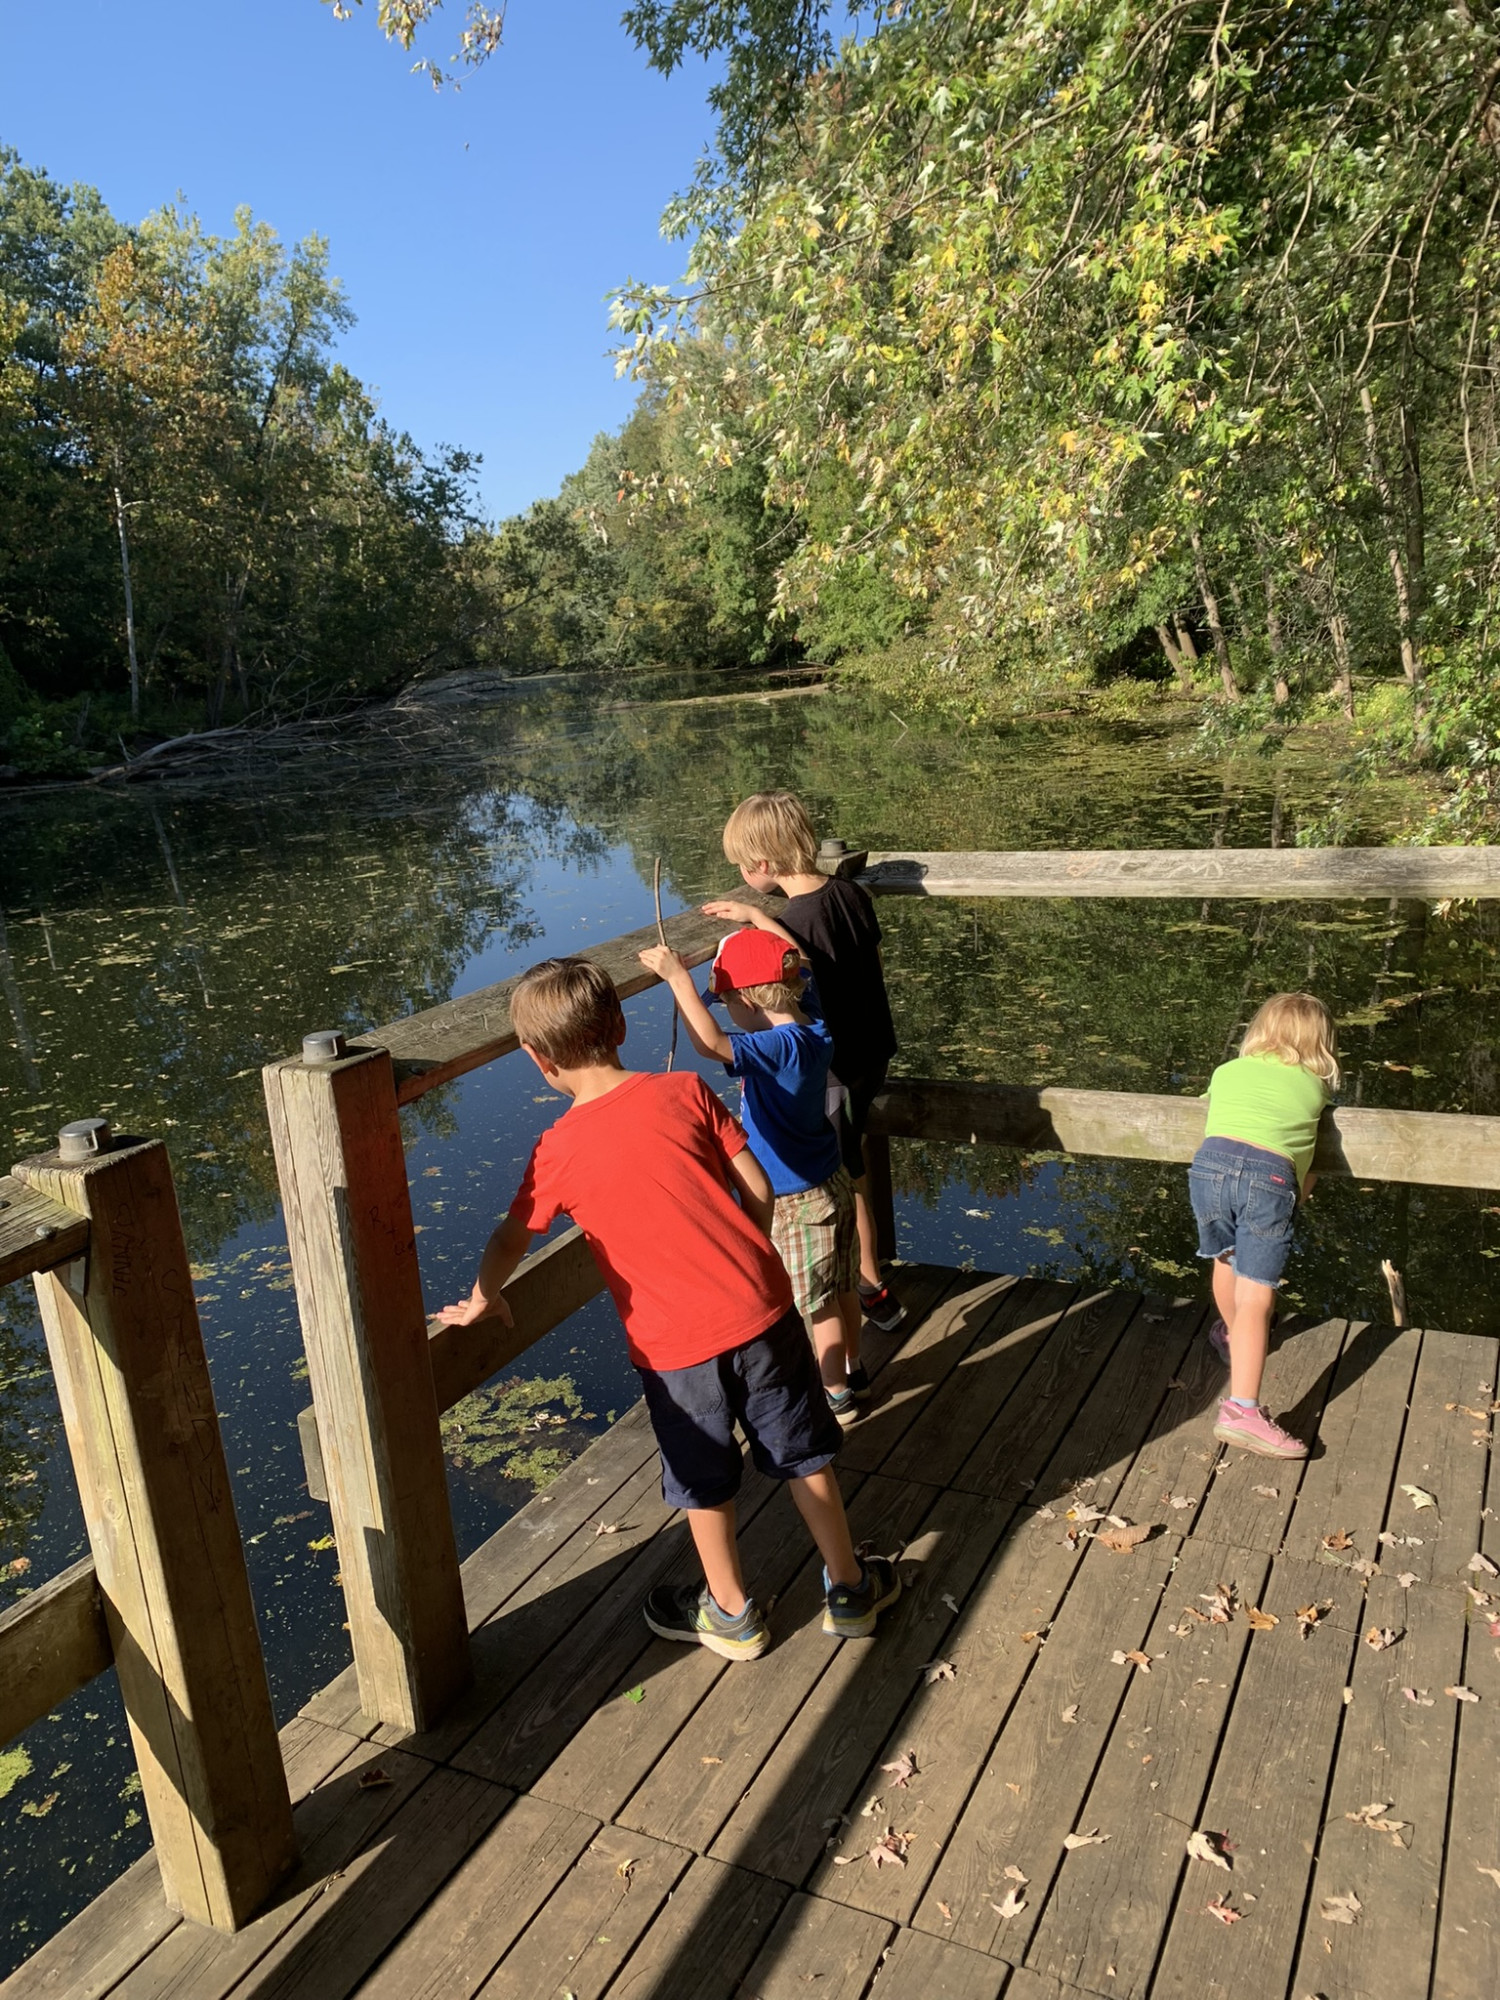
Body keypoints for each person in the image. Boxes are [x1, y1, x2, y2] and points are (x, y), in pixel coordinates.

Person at [436, 955, 900, 1661]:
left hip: (672, 1344)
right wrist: (743, 1245)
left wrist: (483, 1297)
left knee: (703, 1477)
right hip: (763, 1310)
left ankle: (733, 1613)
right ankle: (849, 1586)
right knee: (803, 1453)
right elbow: (757, 1187)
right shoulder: (686, 1090)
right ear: (619, 1024)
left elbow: (511, 1236)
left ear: (538, 1062)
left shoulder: (556, 1150)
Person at [639, 926, 866, 1426]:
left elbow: (711, 1045)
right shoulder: (816, 1027)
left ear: (748, 998)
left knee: (817, 1304)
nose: (728, 1012)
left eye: (727, 1002)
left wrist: (677, 977)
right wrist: (752, 922)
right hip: (833, 1182)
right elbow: (799, 963)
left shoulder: (777, 1048)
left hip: (795, 1199)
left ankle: (835, 1395)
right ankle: (854, 1366)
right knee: (843, 1285)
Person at [703, 790, 905, 1336]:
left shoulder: (793, 922)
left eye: (744, 867)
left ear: (764, 864)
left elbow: (799, 966)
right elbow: (871, 960)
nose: (744, 875)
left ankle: (869, 1287)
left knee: (843, 1173)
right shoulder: (848, 893)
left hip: (836, 1070)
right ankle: (865, 1281)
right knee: (852, 1162)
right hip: (873, 1050)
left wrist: (752, 917)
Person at [1189, 992, 1341, 1459]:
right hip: (1268, 1178)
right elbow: (1306, 1162)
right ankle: (1242, 1410)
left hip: (1208, 1167)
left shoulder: (1226, 1072)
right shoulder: (1315, 1088)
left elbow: (1219, 1114)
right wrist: (1293, 1198)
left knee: (1225, 1257)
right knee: (1258, 1294)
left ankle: (1234, 1337)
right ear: (1320, 1043)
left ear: (1259, 1032)